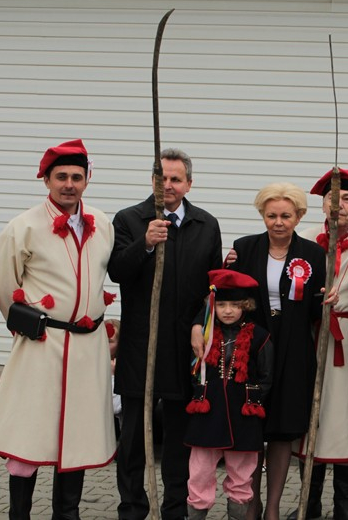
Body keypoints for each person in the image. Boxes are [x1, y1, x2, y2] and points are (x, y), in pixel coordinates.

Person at [0, 139, 116, 519]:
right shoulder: (23, 226)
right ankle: (19, 514)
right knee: (28, 434)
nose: (69, 184)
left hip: (87, 349)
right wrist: (30, 325)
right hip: (42, 344)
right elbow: (5, 286)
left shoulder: (102, 223)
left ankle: (67, 514)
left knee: (78, 438)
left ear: (87, 179)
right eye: (61, 177)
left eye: (77, 177)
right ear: (46, 180)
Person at [109, 147, 222, 520]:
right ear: (152, 180)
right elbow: (117, 271)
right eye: (162, 178)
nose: (168, 185)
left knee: (178, 435)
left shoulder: (206, 224)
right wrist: (144, 243)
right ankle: (132, 506)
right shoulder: (130, 219)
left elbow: (212, 288)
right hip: (141, 344)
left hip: (184, 346)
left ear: (189, 183)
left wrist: (200, 324)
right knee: (133, 436)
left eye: (176, 179)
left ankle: (175, 507)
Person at [227, 182, 325, 520]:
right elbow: (231, 298)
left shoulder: (313, 254)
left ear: (299, 216)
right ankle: (250, 503)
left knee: (283, 429)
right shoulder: (244, 248)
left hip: (295, 348)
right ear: (262, 215)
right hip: (253, 347)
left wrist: (326, 301)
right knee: (252, 428)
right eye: (271, 216)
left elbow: (315, 308)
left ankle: (272, 508)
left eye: (286, 215)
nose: (278, 222)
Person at [288, 168, 348, 520]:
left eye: (347, 199)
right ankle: (309, 503)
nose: (338, 205)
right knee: (313, 421)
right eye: (331, 199)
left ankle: (344, 507)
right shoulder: (304, 239)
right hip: (311, 339)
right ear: (323, 204)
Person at [184, 269, 273, 520]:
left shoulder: (260, 336)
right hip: (208, 414)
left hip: (242, 417)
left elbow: (266, 376)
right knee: (200, 470)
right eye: (222, 305)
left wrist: (254, 401)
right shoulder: (204, 334)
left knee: (243, 472)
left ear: (246, 305)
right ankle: (196, 514)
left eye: (235, 305)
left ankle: (238, 514)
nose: (228, 311)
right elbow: (192, 370)